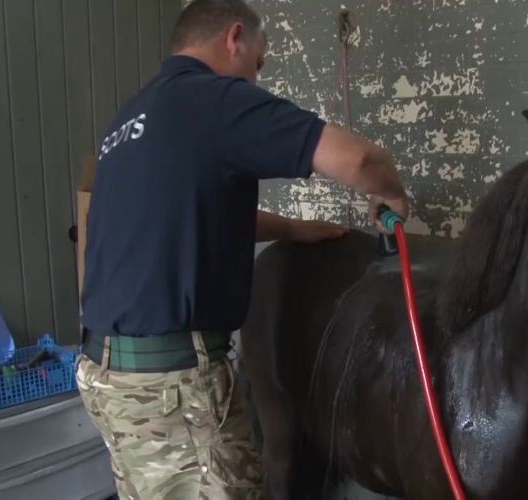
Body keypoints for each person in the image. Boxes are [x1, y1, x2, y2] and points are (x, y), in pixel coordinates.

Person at [74, 0, 409, 498]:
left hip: (107, 379)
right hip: (172, 386)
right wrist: (389, 190)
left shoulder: (133, 117)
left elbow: (188, 219)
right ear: (235, 38)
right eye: (258, 62)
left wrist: (294, 229)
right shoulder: (215, 99)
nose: (256, 77)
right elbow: (358, 159)